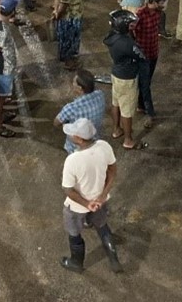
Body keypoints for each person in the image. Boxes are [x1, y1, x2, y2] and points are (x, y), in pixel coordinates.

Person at [58, 117, 122, 273]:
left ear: (79, 139)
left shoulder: (72, 160)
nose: (71, 135)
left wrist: (87, 204)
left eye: (73, 134)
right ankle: (115, 261)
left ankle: (76, 263)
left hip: (78, 206)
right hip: (99, 200)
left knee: (74, 233)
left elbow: (68, 190)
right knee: (102, 227)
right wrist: (102, 196)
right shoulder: (104, 146)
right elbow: (112, 171)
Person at [104, 10, 147, 150]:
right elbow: (141, 56)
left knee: (116, 103)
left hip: (116, 74)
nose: (131, 26)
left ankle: (116, 129)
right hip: (127, 78)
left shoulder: (112, 37)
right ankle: (128, 140)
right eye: (129, 24)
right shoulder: (126, 43)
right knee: (127, 110)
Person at [0, 0, 21, 138]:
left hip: (3, 67)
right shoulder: (2, 31)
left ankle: (0, 114)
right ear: (12, 11)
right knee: (0, 98)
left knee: (0, 96)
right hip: (3, 69)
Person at [133, 0, 166, 128]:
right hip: (143, 55)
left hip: (154, 52)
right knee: (145, 84)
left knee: (147, 81)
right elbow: (132, 31)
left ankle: (140, 105)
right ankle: (150, 113)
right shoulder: (140, 14)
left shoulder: (159, 14)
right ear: (154, 2)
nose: (163, 5)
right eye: (161, 2)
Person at [55, 71, 106, 154]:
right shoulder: (100, 95)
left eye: (74, 83)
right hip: (95, 139)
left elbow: (56, 123)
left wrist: (66, 123)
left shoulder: (71, 108)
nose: (72, 84)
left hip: (76, 148)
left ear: (80, 88)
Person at [53, 0, 83, 68]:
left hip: (66, 18)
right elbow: (63, 7)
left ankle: (63, 57)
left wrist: (55, 11)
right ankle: (69, 62)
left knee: (64, 39)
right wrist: (58, 14)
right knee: (70, 40)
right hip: (70, 18)